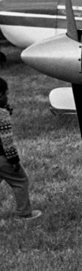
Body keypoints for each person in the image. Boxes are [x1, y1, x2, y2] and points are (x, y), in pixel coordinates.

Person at [0, 78, 39, 221]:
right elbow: (6, 141)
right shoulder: (1, 115)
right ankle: (24, 213)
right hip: (3, 158)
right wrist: (14, 160)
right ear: (0, 95)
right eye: (6, 94)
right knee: (20, 181)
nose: (7, 97)